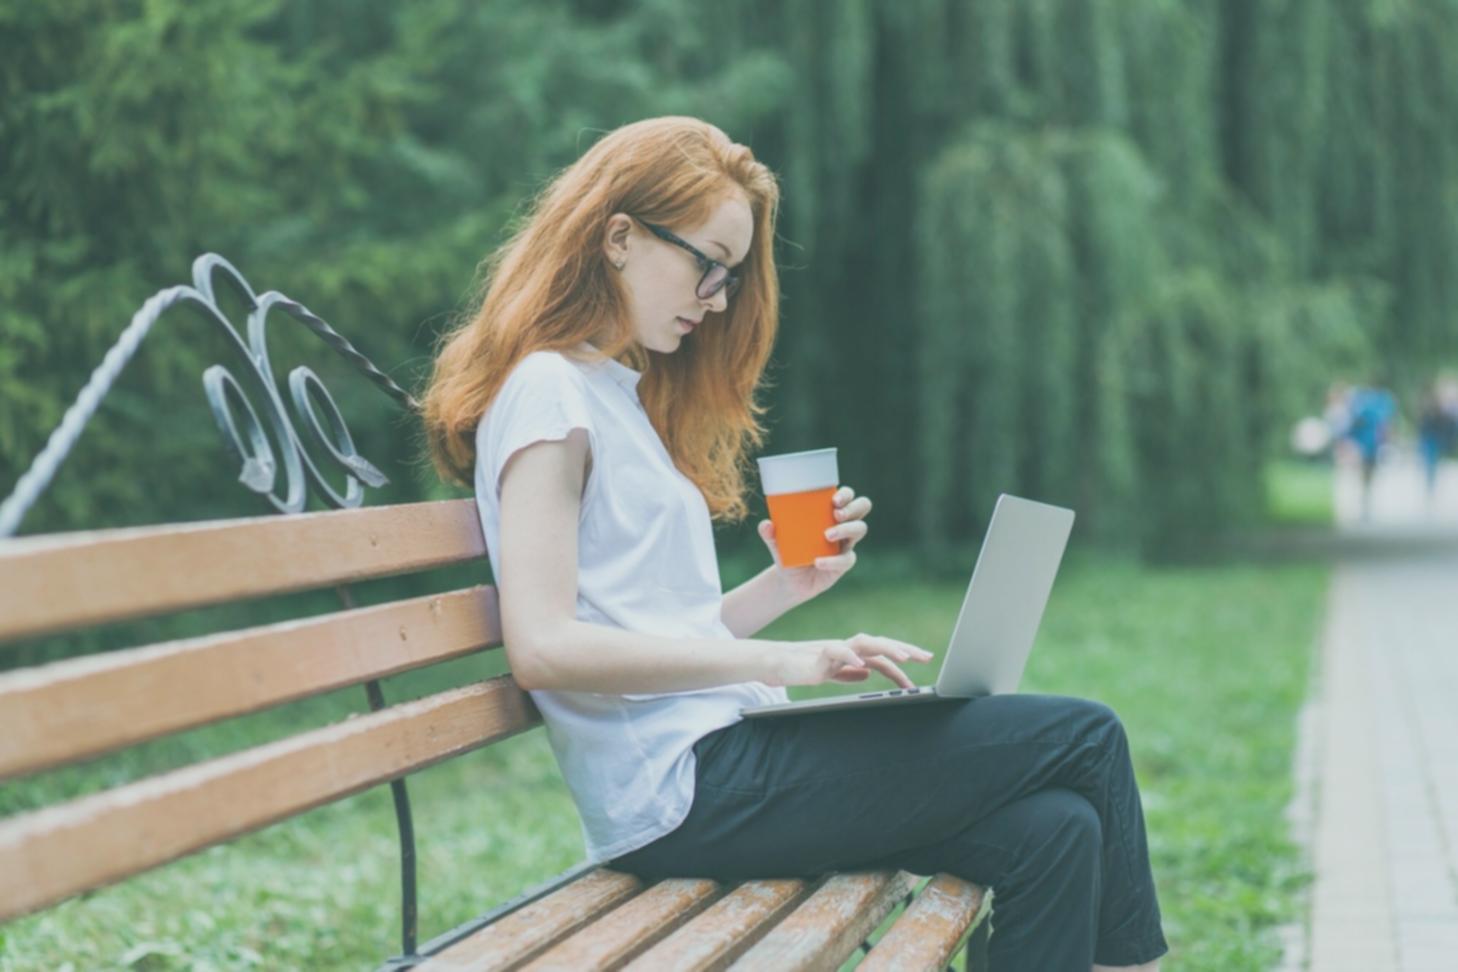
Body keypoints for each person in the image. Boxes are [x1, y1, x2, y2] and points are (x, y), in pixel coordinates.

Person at [420, 117, 1167, 971]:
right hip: (685, 792)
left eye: (729, 276)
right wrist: (789, 661)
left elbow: (650, 627)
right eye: (708, 262)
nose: (718, 297)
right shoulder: (550, 391)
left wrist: (786, 586)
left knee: (1054, 832)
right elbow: (545, 647)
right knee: (1087, 735)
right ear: (619, 236)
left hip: (724, 763)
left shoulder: (610, 393)